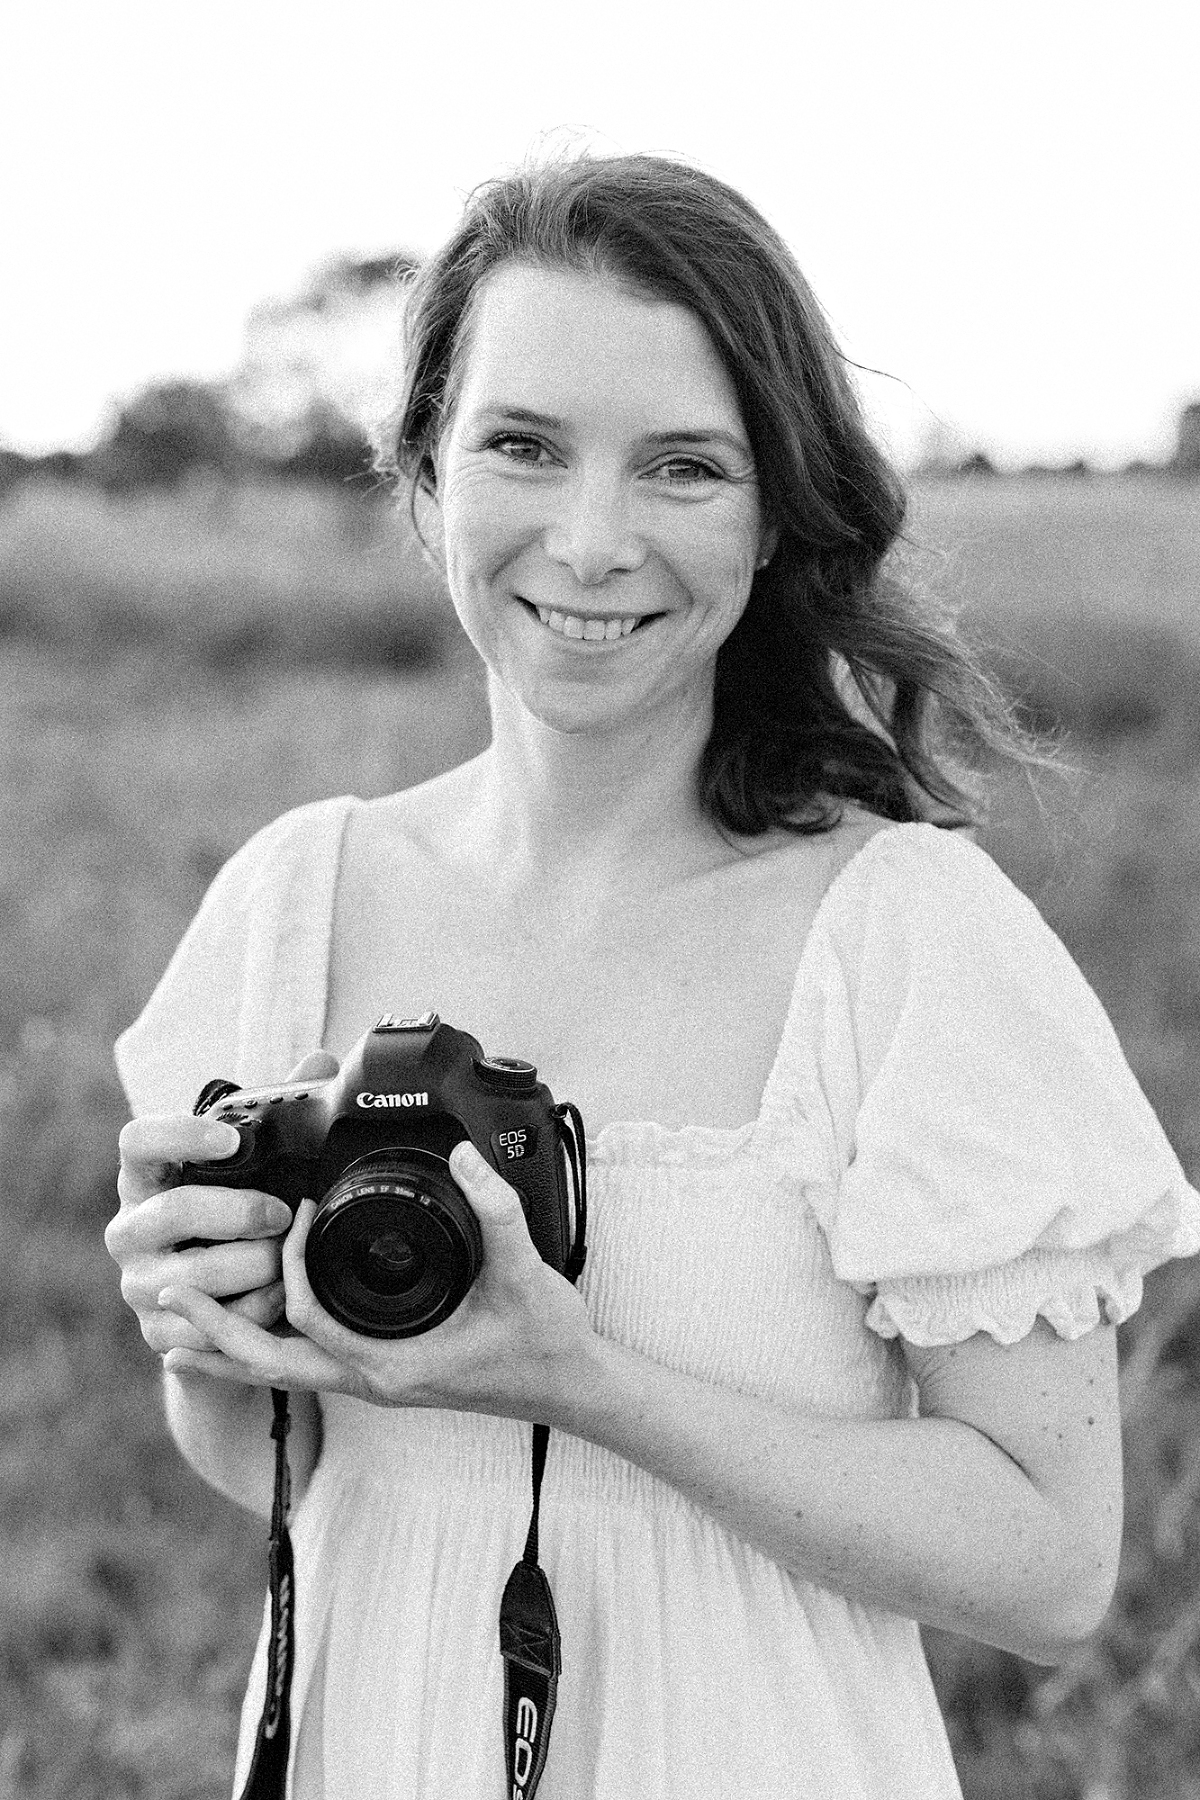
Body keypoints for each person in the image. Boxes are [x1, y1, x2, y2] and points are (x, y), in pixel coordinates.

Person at [106, 152, 1200, 1800]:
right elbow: (296, 1462)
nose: (593, 540)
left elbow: (1051, 1568)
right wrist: (207, 1332)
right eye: (524, 446)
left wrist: (590, 1388)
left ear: (777, 523)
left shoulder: (904, 937)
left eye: (686, 466)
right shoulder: (292, 901)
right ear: (423, 480)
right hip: (361, 1737)